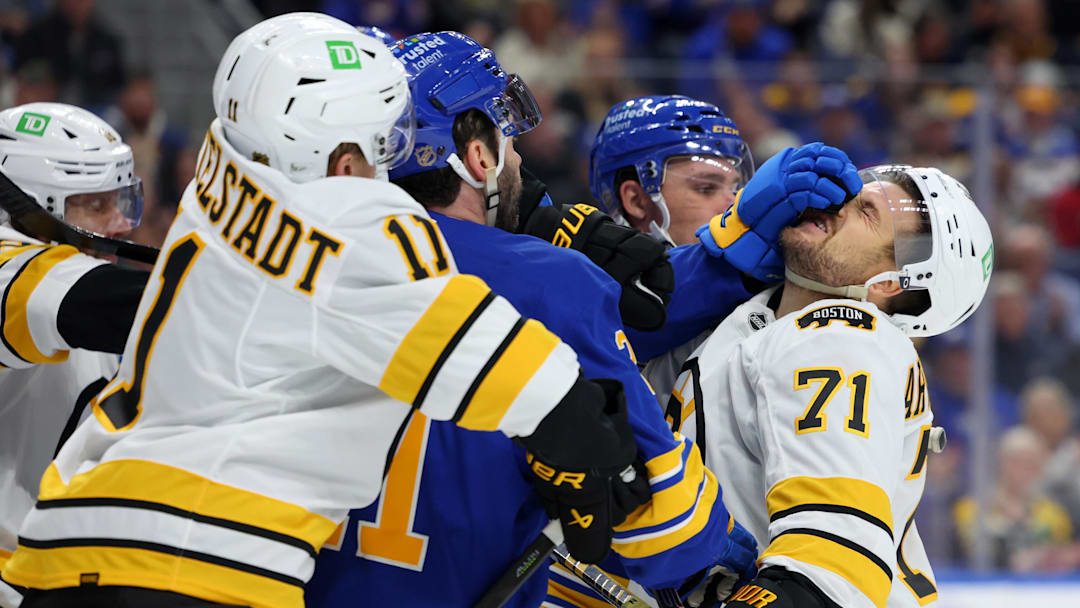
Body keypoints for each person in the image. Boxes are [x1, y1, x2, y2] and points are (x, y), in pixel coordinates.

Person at [2, 14, 645, 608]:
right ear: (342, 159)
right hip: (196, 565)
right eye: (381, 143)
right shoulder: (348, 224)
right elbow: (506, 369)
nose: (388, 168)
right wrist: (584, 448)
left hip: (60, 545)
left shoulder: (212, 191)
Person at [306, 31, 773, 608]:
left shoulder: (304, 266)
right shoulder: (550, 281)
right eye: (505, 138)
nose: (518, 158)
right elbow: (666, 534)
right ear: (478, 155)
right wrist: (727, 541)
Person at [658, 163, 994, 607]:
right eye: (854, 194)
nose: (836, 204)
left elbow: (834, 563)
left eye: (866, 213)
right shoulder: (765, 318)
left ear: (889, 283)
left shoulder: (840, 336)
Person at [0, 101, 150, 608]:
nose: (120, 223)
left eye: (122, 201)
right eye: (94, 204)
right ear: (28, 211)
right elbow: (90, 304)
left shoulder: (94, 280)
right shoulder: (20, 268)